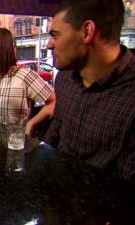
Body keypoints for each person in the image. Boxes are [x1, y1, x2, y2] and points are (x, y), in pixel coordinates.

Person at [44, 0, 135, 183]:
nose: (49, 45)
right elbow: (57, 130)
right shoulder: (65, 78)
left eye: (55, 35)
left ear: (87, 31)